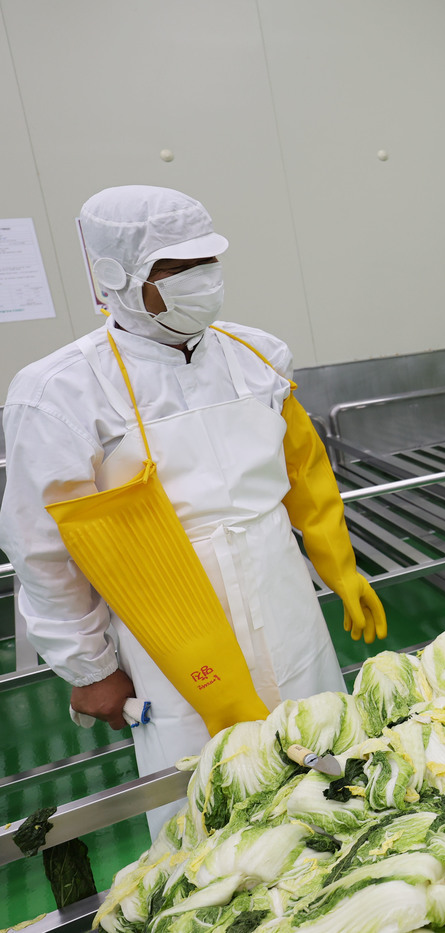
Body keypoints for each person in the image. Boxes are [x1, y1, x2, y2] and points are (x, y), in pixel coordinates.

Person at [0, 186, 384, 832]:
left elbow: (305, 473)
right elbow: (45, 551)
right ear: (118, 278)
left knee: (334, 769)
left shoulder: (257, 356)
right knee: (212, 814)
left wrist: (340, 568)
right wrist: (90, 666)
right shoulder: (60, 393)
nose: (199, 280)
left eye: (205, 261)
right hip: (170, 635)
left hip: (287, 605)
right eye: (173, 269)